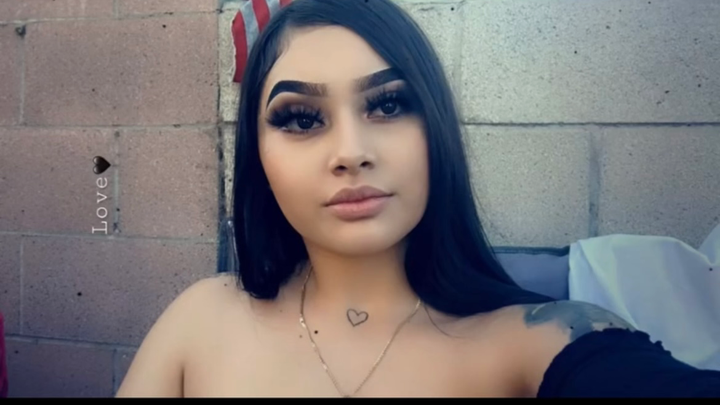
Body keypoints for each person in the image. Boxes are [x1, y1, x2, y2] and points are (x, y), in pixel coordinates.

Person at [116, 0, 720, 397]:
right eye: (301, 118)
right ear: (258, 155)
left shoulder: (536, 342)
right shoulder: (202, 319)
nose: (350, 151)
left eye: (388, 104)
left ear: (436, 130)